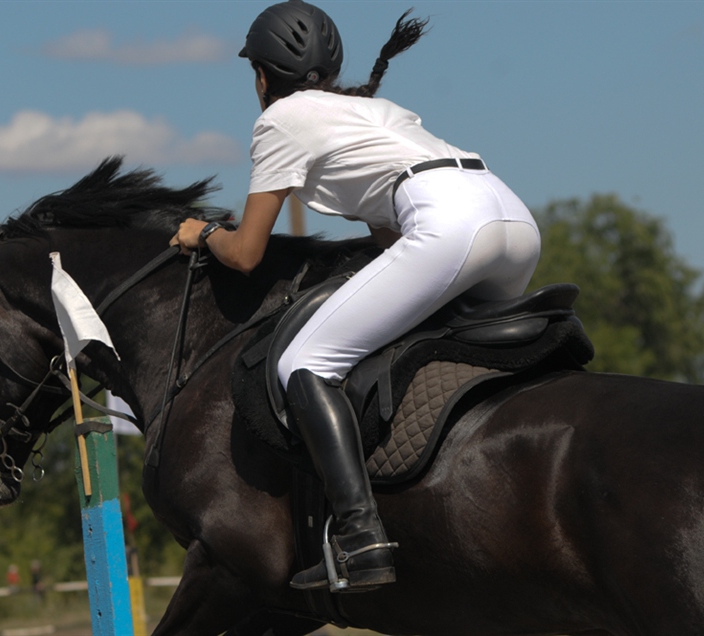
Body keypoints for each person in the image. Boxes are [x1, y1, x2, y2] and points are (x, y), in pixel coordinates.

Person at [170, 0, 541, 592]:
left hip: (448, 224)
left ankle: (361, 536)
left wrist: (202, 232)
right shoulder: (371, 109)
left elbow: (246, 254)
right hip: (513, 220)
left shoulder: (280, 120)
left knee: (304, 362)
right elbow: (387, 225)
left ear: (262, 75)